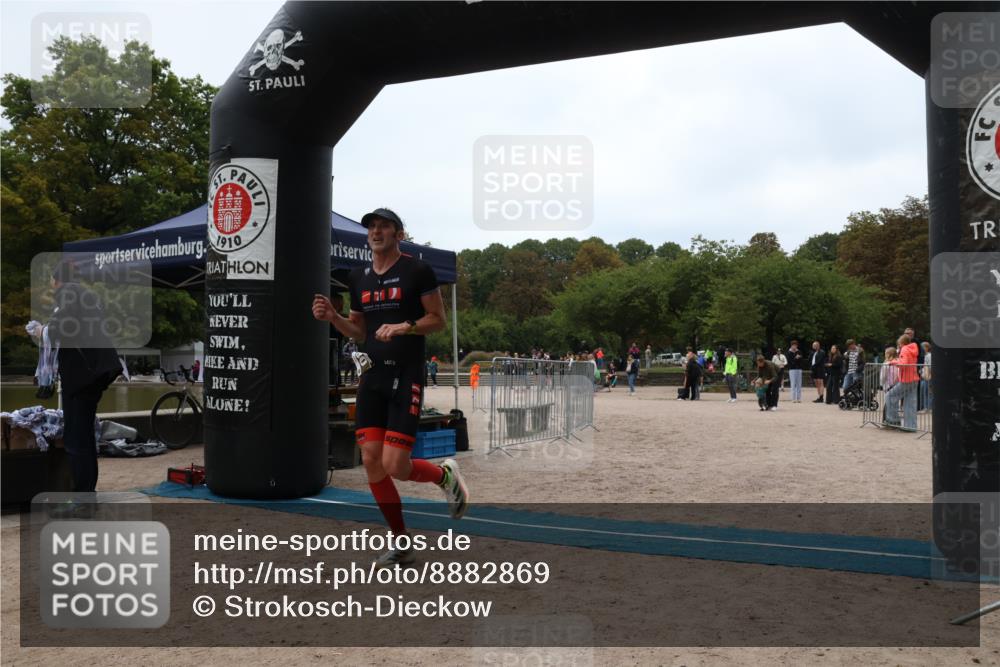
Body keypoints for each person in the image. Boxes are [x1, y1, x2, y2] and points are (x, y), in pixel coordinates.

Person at [311, 207, 468, 567]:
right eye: (372, 227)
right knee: (371, 461)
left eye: (384, 226)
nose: (376, 232)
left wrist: (404, 326)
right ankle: (401, 542)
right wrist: (333, 318)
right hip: (373, 376)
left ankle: (445, 475)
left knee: (395, 465)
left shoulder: (417, 270)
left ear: (399, 234)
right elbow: (359, 331)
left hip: (406, 374)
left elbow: (438, 320)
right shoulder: (357, 277)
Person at [40, 261, 123, 493]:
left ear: (58, 281)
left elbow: (61, 327)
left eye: (52, 282)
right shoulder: (86, 295)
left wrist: (42, 331)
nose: (52, 287)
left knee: (76, 439)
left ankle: (83, 497)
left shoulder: (69, 292)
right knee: (85, 436)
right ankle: (87, 493)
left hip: (81, 377)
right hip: (94, 375)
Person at [885, 334, 919, 430]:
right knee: (910, 403)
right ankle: (911, 426)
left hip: (906, 379)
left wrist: (892, 362)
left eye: (899, 344)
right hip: (914, 378)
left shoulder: (904, 349)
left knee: (889, 396)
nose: (899, 346)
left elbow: (903, 364)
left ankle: (894, 420)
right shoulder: (913, 349)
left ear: (901, 342)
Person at [920, 341, 932, 413]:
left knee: (929, 392)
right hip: (925, 377)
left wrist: (930, 375)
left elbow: (930, 366)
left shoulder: (929, 356)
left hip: (929, 377)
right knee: (924, 392)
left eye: (923, 347)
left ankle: (929, 408)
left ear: (927, 348)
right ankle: (926, 407)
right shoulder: (924, 356)